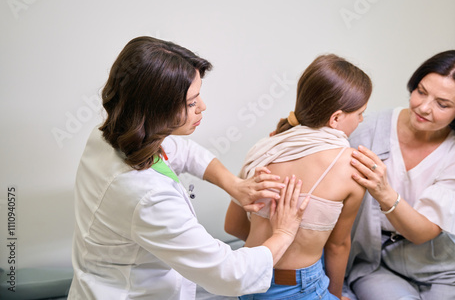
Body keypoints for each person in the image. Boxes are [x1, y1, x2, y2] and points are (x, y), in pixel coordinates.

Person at [68, 36, 310, 300]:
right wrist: (285, 232)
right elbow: (229, 276)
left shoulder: (111, 135)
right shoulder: (146, 196)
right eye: (192, 102)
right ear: (157, 110)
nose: (203, 107)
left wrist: (235, 185)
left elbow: (184, 151)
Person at [224, 53, 373, 299]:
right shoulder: (352, 167)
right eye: (359, 113)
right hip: (300, 288)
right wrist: (335, 295)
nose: (361, 120)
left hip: (249, 281)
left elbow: (232, 225)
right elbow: (338, 246)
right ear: (336, 118)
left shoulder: (266, 147)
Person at [345, 50, 455, 299]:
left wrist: (384, 192)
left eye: (442, 104)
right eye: (421, 91)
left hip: (441, 269)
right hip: (376, 264)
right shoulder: (371, 127)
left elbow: (422, 233)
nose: (423, 107)